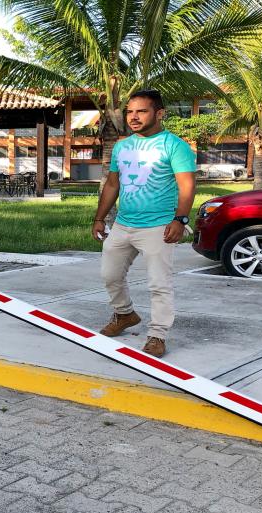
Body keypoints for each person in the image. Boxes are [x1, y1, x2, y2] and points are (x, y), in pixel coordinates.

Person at [91, 90, 196, 357]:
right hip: (123, 224)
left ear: (159, 114)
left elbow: (187, 185)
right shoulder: (122, 146)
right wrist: (100, 218)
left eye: (142, 111)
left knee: (159, 284)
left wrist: (180, 219)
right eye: (130, 112)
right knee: (110, 275)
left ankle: (158, 335)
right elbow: (113, 183)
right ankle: (125, 314)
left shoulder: (174, 145)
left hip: (158, 227)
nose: (134, 117)